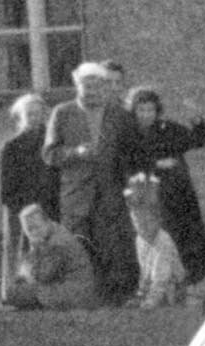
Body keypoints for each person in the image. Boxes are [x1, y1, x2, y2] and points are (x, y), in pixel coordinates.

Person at [44, 61, 137, 303]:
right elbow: (49, 154)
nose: (92, 91)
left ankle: (113, 299)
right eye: (87, 86)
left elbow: (132, 154)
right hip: (76, 194)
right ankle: (80, 297)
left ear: (104, 87)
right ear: (77, 86)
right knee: (78, 247)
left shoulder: (120, 114)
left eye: (97, 86)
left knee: (112, 247)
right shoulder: (62, 113)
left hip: (111, 192)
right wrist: (76, 153)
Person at [122, 85, 205, 285]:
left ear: (157, 111)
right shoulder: (128, 135)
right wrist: (155, 164)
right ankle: (158, 283)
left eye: (151, 110)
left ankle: (189, 282)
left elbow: (198, 140)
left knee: (186, 237)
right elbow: (125, 162)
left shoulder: (168, 129)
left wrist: (197, 120)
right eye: (141, 110)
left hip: (179, 193)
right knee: (158, 238)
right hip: (148, 197)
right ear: (133, 111)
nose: (147, 115)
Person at [0, 94, 60, 302]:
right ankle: (17, 295)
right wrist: (27, 210)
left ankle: (49, 295)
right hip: (20, 210)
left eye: (38, 113)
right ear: (21, 117)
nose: (34, 118)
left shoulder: (52, 144)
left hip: (50, 208)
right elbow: (5, 189)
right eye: (29, 114)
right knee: (22, 254)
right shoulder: (11, 147)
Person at [4, 204, 98, 310]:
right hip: (73, 292)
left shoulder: (57, 243)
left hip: (73, 295)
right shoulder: (55, 232)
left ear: (47, 222)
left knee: (14, 292)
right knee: (15, 289)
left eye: (37, 227)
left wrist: (34, 250)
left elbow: (42, 276)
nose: (34, 232)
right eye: (29, 230)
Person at [124, 174, 186, 308]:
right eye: (137, 224)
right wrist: (141, 294)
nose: (142, 229)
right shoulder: (140, 240)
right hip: (154, 286)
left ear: (158, 220)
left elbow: (161, 277)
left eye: (147, 223)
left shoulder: (163, 240)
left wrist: (152, 301)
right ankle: (144, 297)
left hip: (171, 287)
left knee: (167, 288)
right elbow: (145, 271)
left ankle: (159, 301)